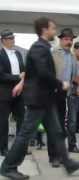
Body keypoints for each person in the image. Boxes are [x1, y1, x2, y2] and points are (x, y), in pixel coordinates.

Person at [0, 17, 79, 180]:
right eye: (53, 29)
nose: (55, 31)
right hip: (38, 99)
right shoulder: (39, 48)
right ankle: (8, 166)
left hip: (45, 98)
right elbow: (43, 73)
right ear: (45, 30)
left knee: (56, 131)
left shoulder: (43, 47)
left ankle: (67, 163)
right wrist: (61, 84)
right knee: (26, 134)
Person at [48, 28, 79, 168]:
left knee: (60, 126)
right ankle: (53, 157)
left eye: (70, 39)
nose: (69, 41)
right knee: (53, 126)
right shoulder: (53, 53)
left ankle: (60, 156)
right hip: (51, 92)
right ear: (60, 40)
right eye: (66, 39)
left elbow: (76, 75)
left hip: (64, 94)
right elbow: (47, 73)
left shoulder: (72, 56)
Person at [0, 29, 25, 157]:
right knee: (3, 121)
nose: (13, 40)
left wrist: (24, 76)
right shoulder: (0, 54)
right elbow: (1, 75)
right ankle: (3, 148)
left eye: (13, 38)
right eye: (10, 38)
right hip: (4, 93)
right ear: (3, 40)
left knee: (22, 119)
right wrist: (18, 77)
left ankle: (20, 147)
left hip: (19, 92)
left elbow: (23, 70)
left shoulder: (18, 54)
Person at [67, 41, 79, 153]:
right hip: (73, 94)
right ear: (74, 50)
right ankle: (71, 145)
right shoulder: (70, 61)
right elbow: (73, 76)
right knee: (72, 121)